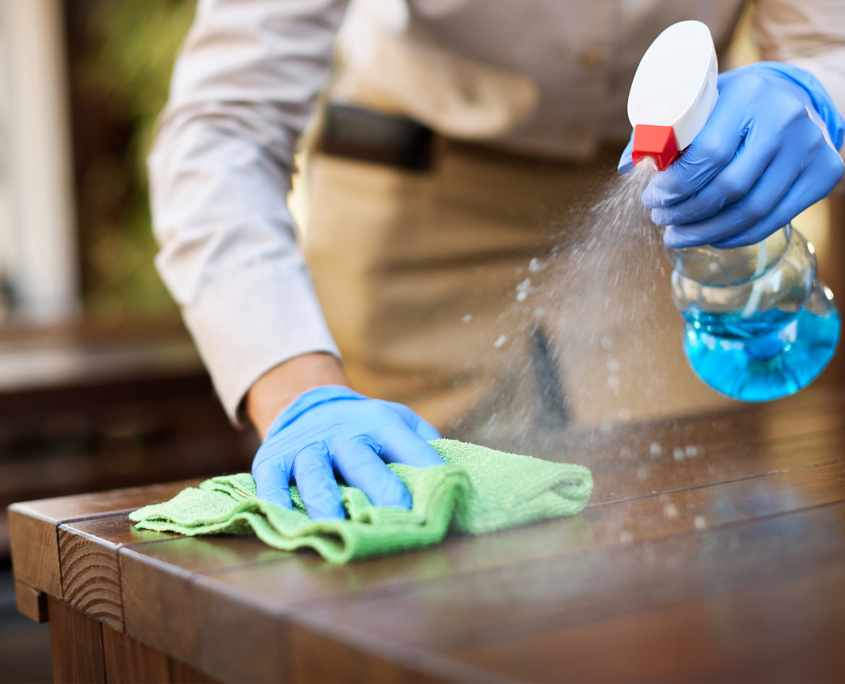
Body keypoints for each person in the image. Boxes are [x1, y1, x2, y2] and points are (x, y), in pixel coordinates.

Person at [149, 0, 845, 520]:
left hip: (658, 205)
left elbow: (828, 45)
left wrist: (818, 96)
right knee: (406, 529)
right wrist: (297, 391)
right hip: (410, 205)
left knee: (692, 516)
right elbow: (221, 128)